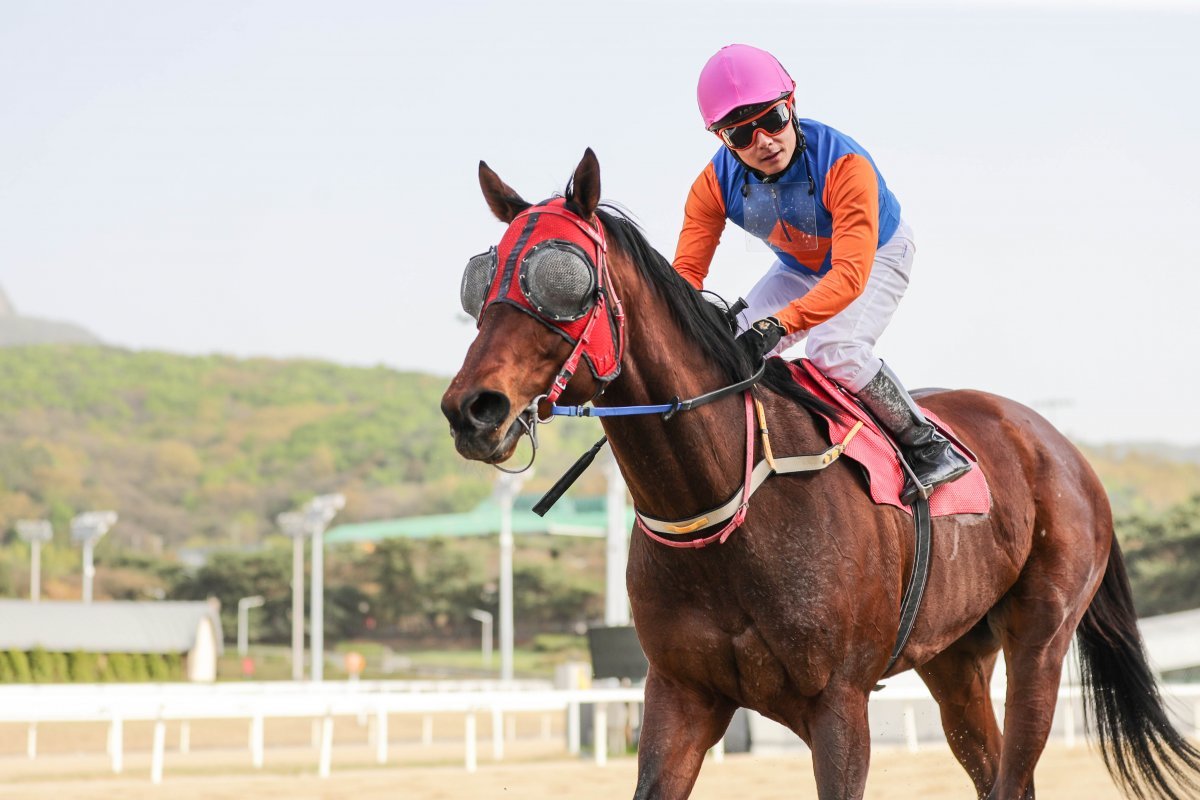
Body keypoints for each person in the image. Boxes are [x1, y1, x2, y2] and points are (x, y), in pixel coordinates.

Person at [673, 43, 970, 503]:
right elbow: (687, 273)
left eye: (772, 120)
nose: (764, 141)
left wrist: (780, 324)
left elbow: (850, 277)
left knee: (833, 348)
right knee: (722, 349)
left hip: (877, 254)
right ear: (721, 140)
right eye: (741, 135)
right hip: (800, 267)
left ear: (791, 106)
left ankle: (928, 445)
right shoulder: (711, 185)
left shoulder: (844, 164)